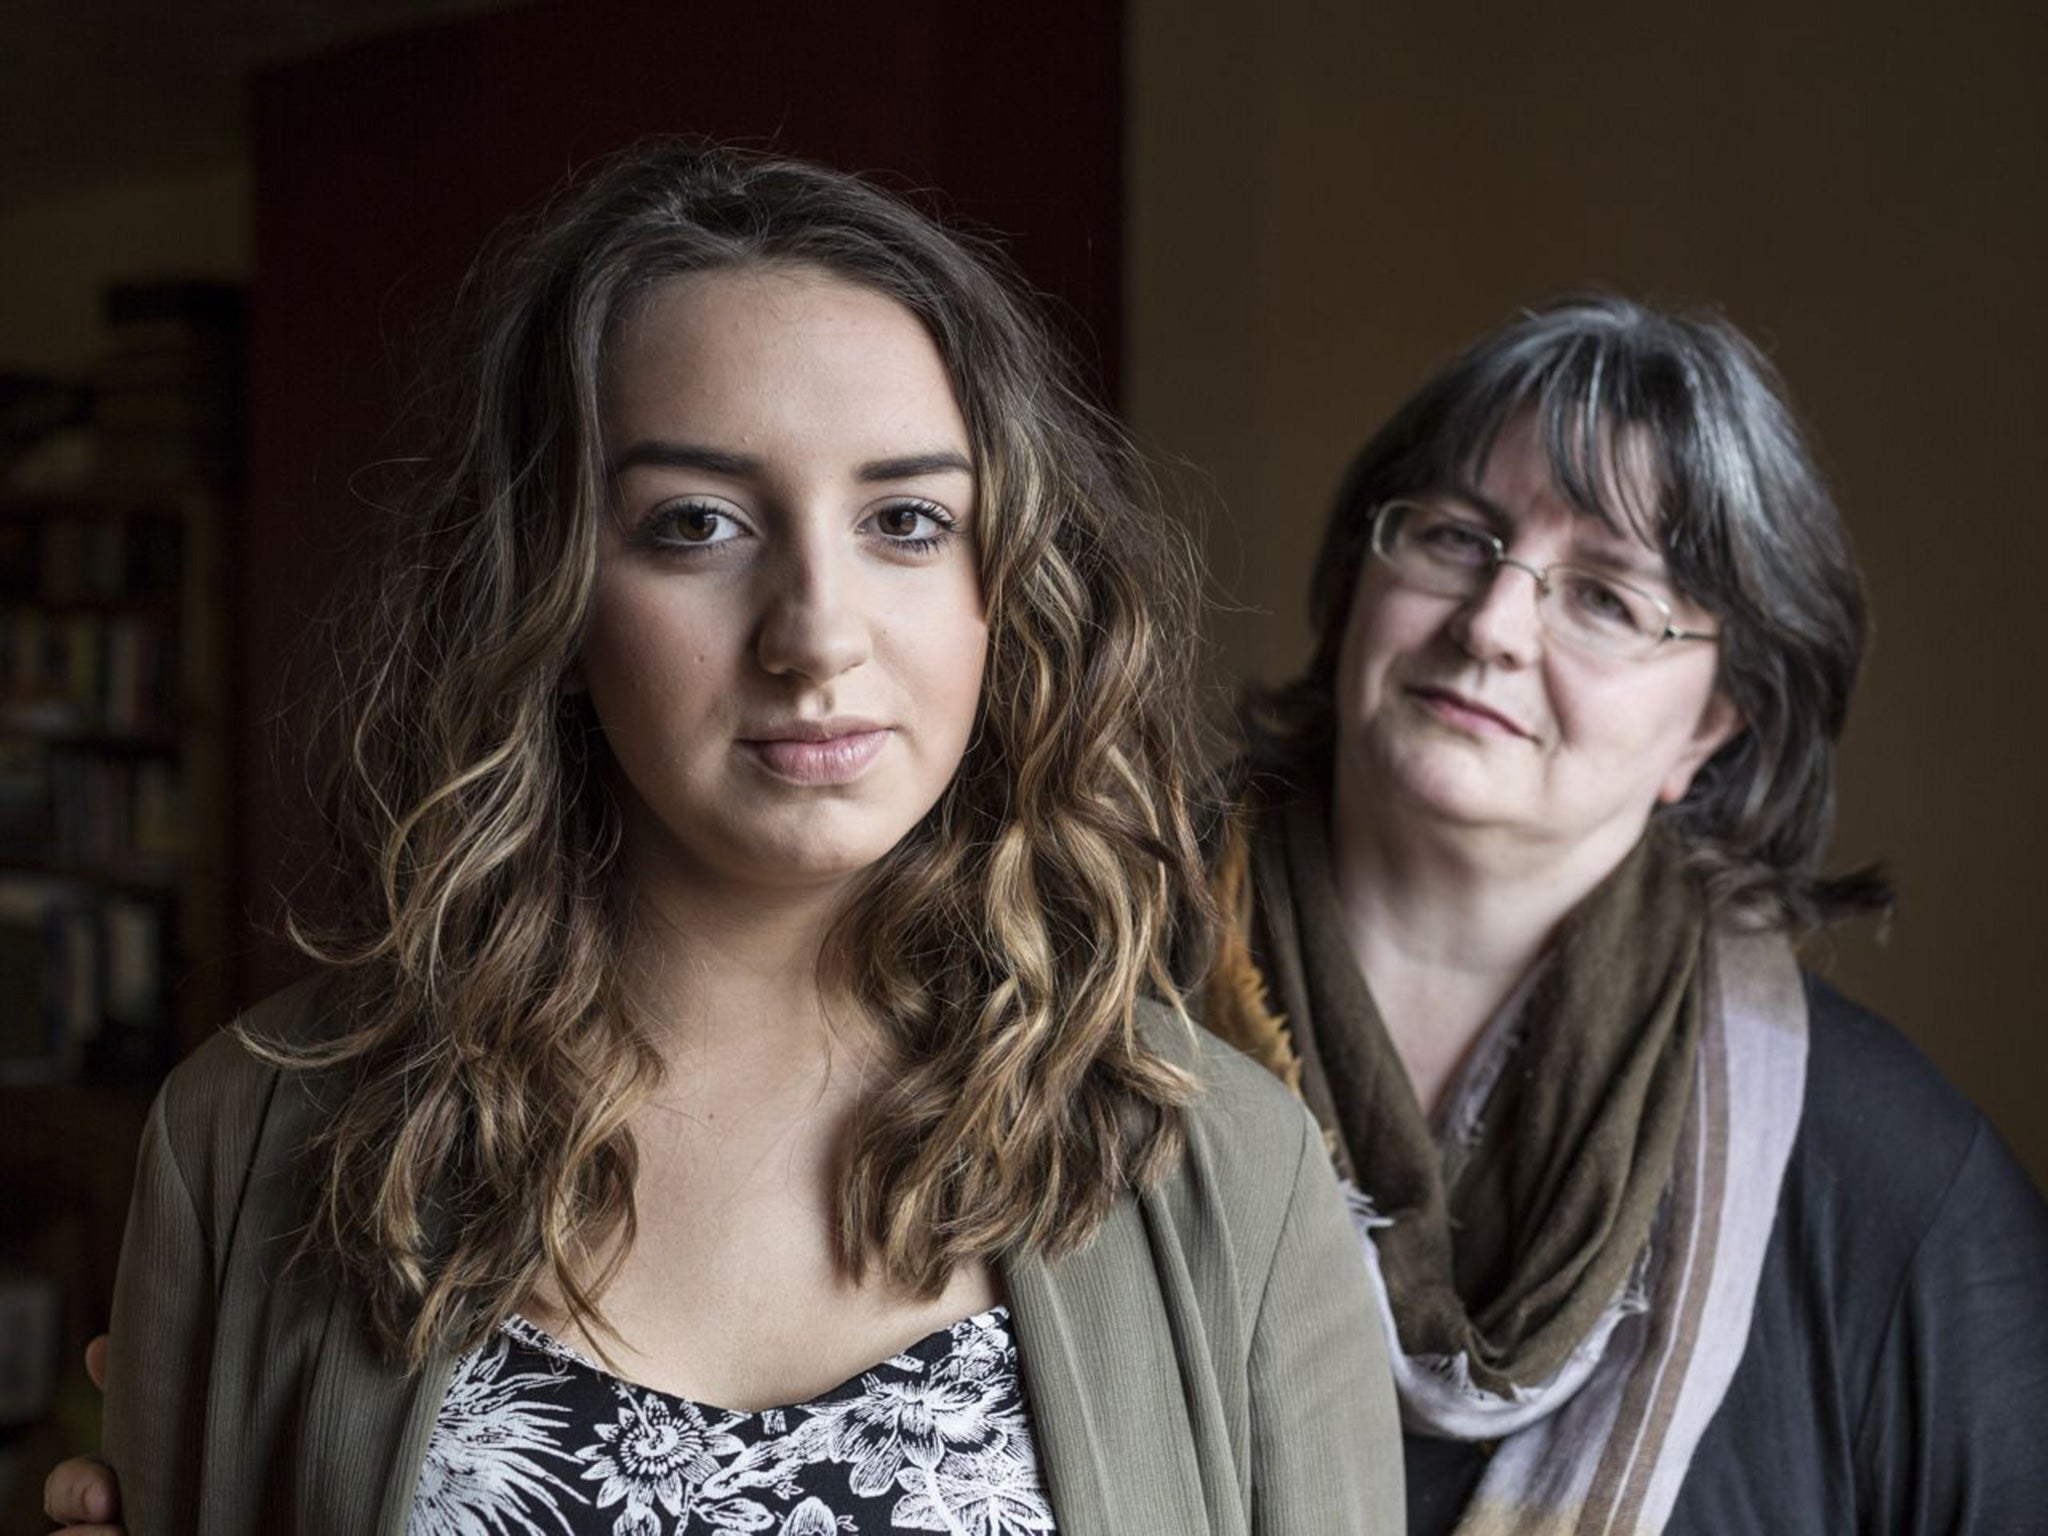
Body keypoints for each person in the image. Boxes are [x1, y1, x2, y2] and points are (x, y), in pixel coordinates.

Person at [46, 141, 1400, 1535]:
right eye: (696, 524)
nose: (815, 632)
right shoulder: (249, 1144)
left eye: (908, 521)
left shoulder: (1233, 1174)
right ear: (554, 597)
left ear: (1008, 591)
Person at [1200, 296, 2048, 1534]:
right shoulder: (1062, 1009)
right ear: (1357, 575)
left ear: (1709, 726)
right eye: (1451, 538)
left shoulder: (1889, 1179)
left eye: (1603, 598)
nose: (1490, 625)